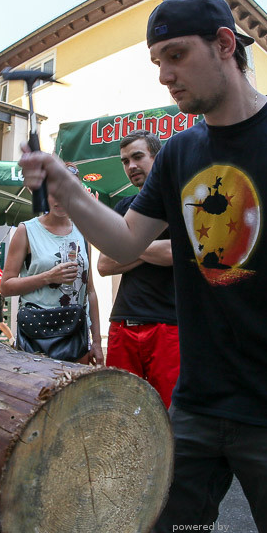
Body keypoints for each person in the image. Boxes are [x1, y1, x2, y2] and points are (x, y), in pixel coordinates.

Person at [18, 0, 267, 533]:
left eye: (176, 56)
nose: (164, 76)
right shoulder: (180, 152)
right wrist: (67, 187)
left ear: (225, 45)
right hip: (197, 406)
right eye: (156, 62)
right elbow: (126, 242)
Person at [97, 130, 179, 407]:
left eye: (138, 157)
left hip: (168, 323)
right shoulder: (124, 206)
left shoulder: (179, 201)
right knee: (120, 408)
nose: (131, 166)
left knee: (168, 413)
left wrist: (127, 246)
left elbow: (176, 253)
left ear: (157, 157)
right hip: (123, 321)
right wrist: (149, 245)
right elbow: (104, 264)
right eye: (125, 161)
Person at [1, 189, 103, 365]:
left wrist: (97, 341)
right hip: (36, 333)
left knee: (76, 389)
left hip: (75, 334)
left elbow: (91, 291)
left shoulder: (84, 232)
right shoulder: (27, 230)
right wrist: (48, 277)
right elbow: (5, 287)